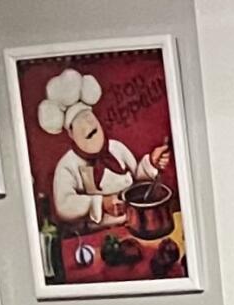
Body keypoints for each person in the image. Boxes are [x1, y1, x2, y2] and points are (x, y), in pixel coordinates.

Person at [37, 65, 172, 246]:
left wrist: (151, 164)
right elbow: (64, 205)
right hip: (98, 238)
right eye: (77, 122)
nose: (86, 124)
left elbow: (137, 181)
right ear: (70, 133)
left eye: (87, 116)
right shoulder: (68, 165)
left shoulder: (117, 149)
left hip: (134, 228)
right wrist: (100, 203)